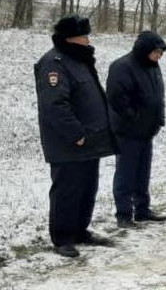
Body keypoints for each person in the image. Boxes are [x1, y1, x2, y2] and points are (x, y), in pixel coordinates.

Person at [34, 16, 116, 257]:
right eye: (85, 36)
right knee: (67, 190)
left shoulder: (78, 60)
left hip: (89, 141)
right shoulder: (54, 63)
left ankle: (80, 230)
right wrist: (76, 134)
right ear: (72, 37)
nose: (88, 40)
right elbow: (54, 105)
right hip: (69, 142)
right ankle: (62, 238)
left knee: (87, 188)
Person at [107, 31, 166, 227]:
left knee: (143, 173)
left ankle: (142, 210)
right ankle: (124, 215)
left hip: (147, 131)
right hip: (128, 131)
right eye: (157, 52)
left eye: (161, 53)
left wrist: (158, 119)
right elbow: (117, 98)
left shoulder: (153, 66)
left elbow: (158, 95)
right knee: (126, 175)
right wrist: (134, 118)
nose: (159, 56)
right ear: (145, 50)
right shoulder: (122, 67)